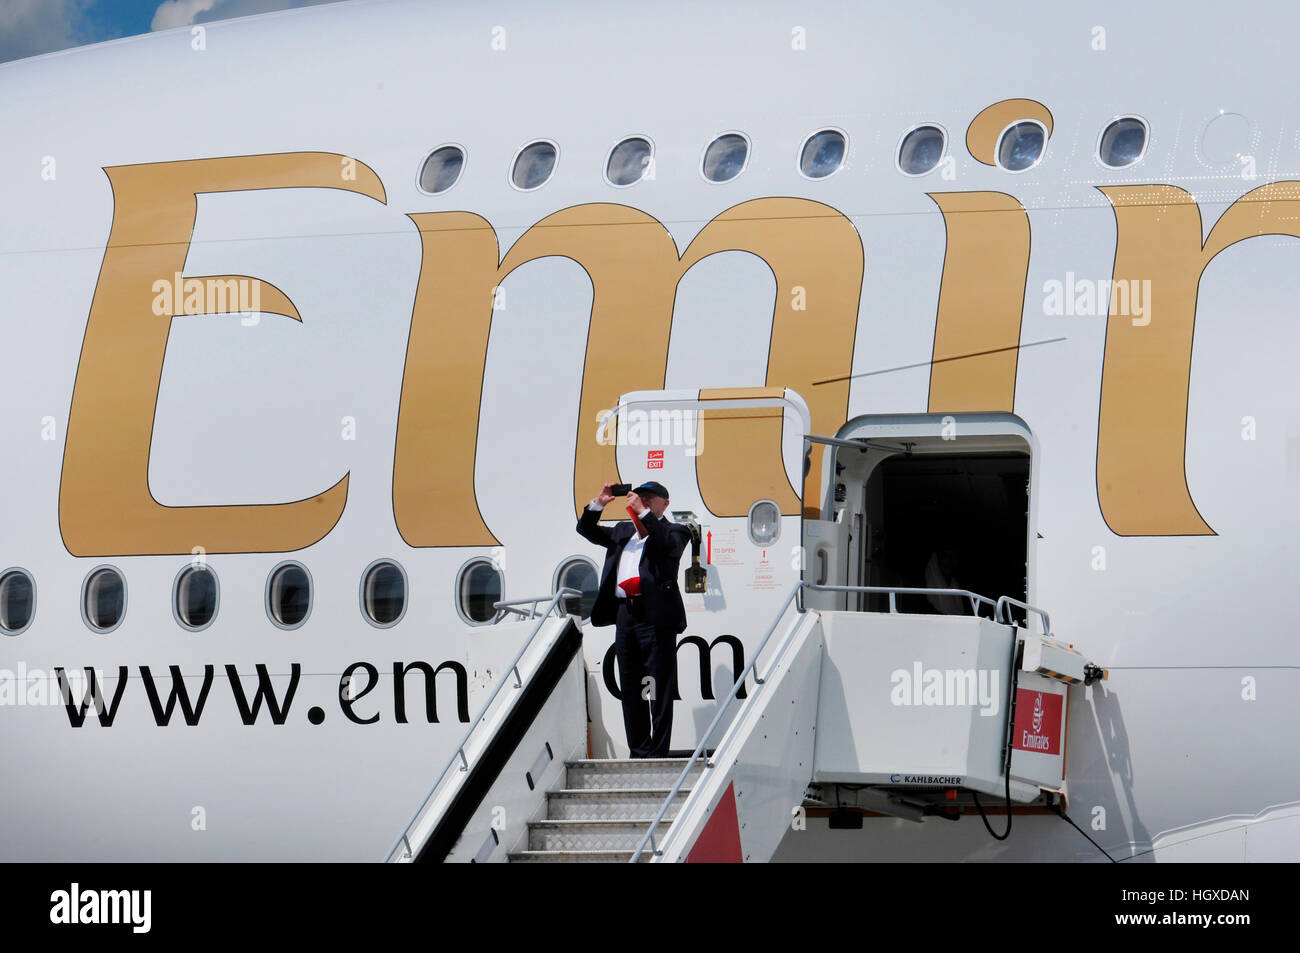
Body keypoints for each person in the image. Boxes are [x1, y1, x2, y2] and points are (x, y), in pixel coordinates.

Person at [576, 480, 691, 758]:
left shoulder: (676, 531)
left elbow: (665, 544)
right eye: (641, 498)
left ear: (665, 504)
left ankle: (658, 752)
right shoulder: (622, 531)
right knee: (631, 685)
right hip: (625, 614)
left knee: (658, 686)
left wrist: (644, 514)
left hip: (655, 616)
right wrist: (599, 503)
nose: (645, 502)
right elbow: (586, 530)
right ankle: (639, 750)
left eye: (651, 499)